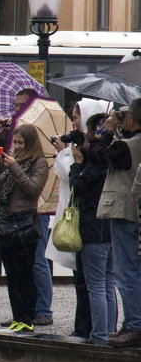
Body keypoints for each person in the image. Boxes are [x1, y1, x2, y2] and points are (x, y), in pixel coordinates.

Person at [0, 124, 49, 333]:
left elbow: (33, 189)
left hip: (24, 222)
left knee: (25, 272)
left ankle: (27, 318)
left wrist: (14, 167)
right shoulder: (12, 161)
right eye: (15, 142)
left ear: (30, 143)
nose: (17, 146)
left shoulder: (40, 163)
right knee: (12, 274)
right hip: (6, 220)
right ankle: (17, 316)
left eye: (21, 143)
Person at [72, 112, 118, 343]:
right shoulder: (111, 157)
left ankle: (99, 334)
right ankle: (110, 332)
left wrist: (77, 165)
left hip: (93, 230)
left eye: (90, 133)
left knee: (96, 287)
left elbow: (78, 187)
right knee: (108, 285)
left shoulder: (95, 163)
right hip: (110, 228)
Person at [99, 99, 141, 347]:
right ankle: (132, 323)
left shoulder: (128, 146)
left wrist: (108, 130)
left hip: (125, 212)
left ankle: (134, 324)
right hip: (133, 212)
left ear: (132, 119)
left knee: (126, 270)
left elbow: (100, 156)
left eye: (124, 116)